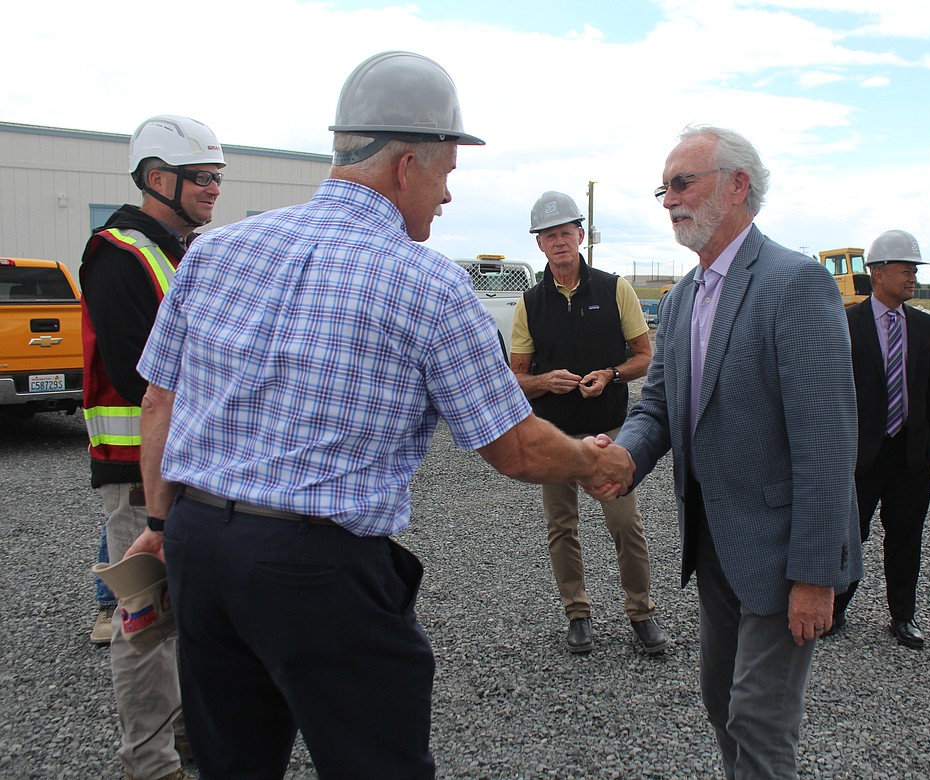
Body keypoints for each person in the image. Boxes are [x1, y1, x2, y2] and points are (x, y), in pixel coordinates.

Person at [124, 51, 633, 779]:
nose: (449, 197)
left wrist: (159, 527)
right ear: (405, 167)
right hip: (320, 570)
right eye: (447, 175)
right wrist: (594, 459)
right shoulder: (426, 283)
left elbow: (159, 400)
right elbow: (515, 449)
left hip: (201, 551)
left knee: (231, 762)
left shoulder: (214, 252)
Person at [610, 125, 862, 779]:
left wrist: (815, 575)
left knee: (759, 717)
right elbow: (660, 410)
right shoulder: (685, 296)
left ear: (738, 185)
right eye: (663, 188)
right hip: (714, 546)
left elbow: (828, 442)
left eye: (682, 182)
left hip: (782, 553)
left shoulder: (795, 283)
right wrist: (621, 458)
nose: (669, 199)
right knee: (720, 702)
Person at [81, 114, 224, 780]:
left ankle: (192, 735)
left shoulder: (183, 251)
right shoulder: (118, 253)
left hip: (190, 461)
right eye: (202, 178)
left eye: (216, 178)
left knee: (192, 610)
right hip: (139, 467)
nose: (213, 190)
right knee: (146, 620)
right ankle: (150, 762)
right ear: (157, 178)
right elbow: (141, 368)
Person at [510, 191, 663, 654]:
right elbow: (516, 377)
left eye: (566, 233)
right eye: (549, 236)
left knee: (625, 523)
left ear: (581, 235)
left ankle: (641, 612)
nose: (559, 243)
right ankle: (577, 614)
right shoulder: (530, 303)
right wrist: (544, 383)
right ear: (540, 244)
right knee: (562, 527)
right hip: (552, 436)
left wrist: (611, 374)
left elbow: (644, 357)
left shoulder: (616, 289)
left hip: (608, 432)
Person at [828, 229, 930, 649]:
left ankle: (903, 617)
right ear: (877, 274)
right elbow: (833, 392)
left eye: (915, 270)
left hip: (912, 457)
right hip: (862, 457)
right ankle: (835, 608)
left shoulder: (927, 329)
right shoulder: (845, 325)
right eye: (905, 269)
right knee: (849, 535)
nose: (912, 277)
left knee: (905, 536)